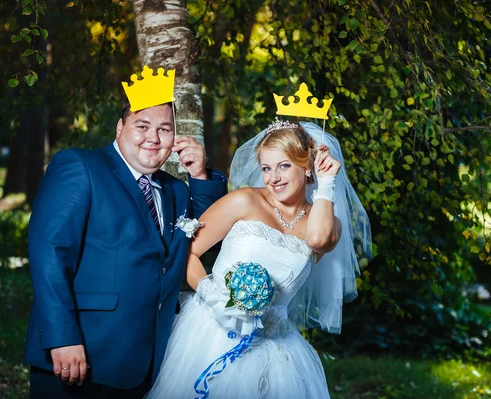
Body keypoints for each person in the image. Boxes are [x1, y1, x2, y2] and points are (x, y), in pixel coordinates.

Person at [24, 65, 228, 398]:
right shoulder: (81, 166)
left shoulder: (176, 191)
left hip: (149, 364)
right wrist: (61, 337)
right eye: (142, 125)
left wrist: (201, 176)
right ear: (120, 127)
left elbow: (208, 239)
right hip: (82, 354)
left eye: (165, 129)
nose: (154, 137)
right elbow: (49, 253)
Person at [144, 120, 373, 398]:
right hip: (211, 331)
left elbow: (318, 241)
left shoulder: (325, 224)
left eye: (284, 166)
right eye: (266, 168)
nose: (273, 178)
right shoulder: (244, 201)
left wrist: (326, 185)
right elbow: (187, 252)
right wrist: (212, 294)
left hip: (276, 346)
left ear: (307, 165)